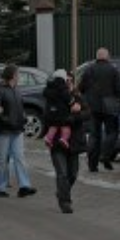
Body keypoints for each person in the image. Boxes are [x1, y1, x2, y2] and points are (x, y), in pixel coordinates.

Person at [0, 64, 36, 198]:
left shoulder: (17, 91)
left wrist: (23, 118)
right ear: (13, 76)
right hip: (2, 131)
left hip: (17, 130)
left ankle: (24, 186)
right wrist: (3, 119)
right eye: (18, 74)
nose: (19, 76)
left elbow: (20, 108)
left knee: (20, 158)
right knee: (2, 159)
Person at [44, 69, 89, 214]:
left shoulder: (77, 97)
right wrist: (63, 119)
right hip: (58, 142)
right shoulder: (53, 97)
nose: (68, 83)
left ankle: (62, 192)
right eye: (66, 80)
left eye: (70, 81)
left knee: (73, 174)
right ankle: (65, 202)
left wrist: (74, 116)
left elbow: (87, 113)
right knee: (62, 173)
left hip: (74, 142)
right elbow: (47, 116)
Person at [78, 47, 120, 172]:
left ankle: (92, 165)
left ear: (97, 57)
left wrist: (87, 97)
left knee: (94, 135)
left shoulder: (88, 69)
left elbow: (81, 88)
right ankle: (105, 155)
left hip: (92, 106)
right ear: (107, 57)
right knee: (112, 132)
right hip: (110, 105)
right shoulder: (113, 70)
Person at [42, 69, 77, 150]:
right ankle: (64, 139)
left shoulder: (49, 87)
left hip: (51, 112)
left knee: (53, 126)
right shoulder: (63, 88)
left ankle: (48, 138)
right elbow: (68, 98)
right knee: (66, 126)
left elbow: (45, 94)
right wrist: (72, 102)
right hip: (62, 113)